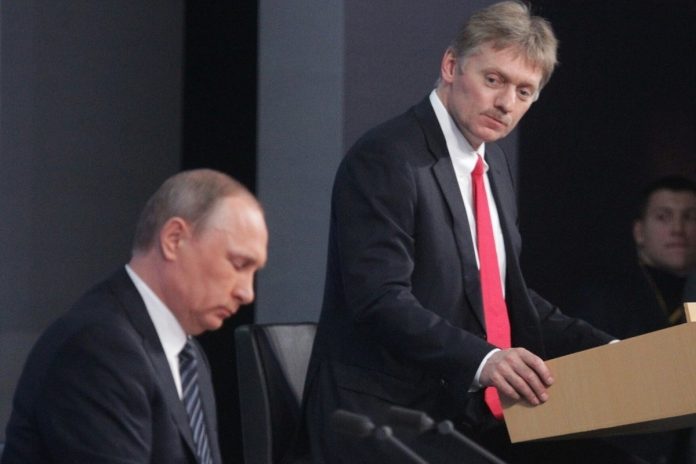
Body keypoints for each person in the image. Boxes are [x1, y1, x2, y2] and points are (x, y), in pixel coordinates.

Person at [298, 2, 647, 464]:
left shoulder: (492, 163)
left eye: (524, 91)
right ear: (451, 66)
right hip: (382, 420)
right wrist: (485, 360)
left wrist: (614, 353)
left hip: (460, 415)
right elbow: (380, 299)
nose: (506, 103)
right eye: (494, 80)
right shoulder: (387, 157)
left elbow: (501, 296)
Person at [1, 169, 268, 464]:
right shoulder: (99, 347)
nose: (247, 293)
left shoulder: (190, 356)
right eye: (239, 264)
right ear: (174, 239)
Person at [569, 176, 696, 463]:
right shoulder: (604, 298)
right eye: (663, 217)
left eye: (690, 217)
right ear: (639, 231)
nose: (678, 229)